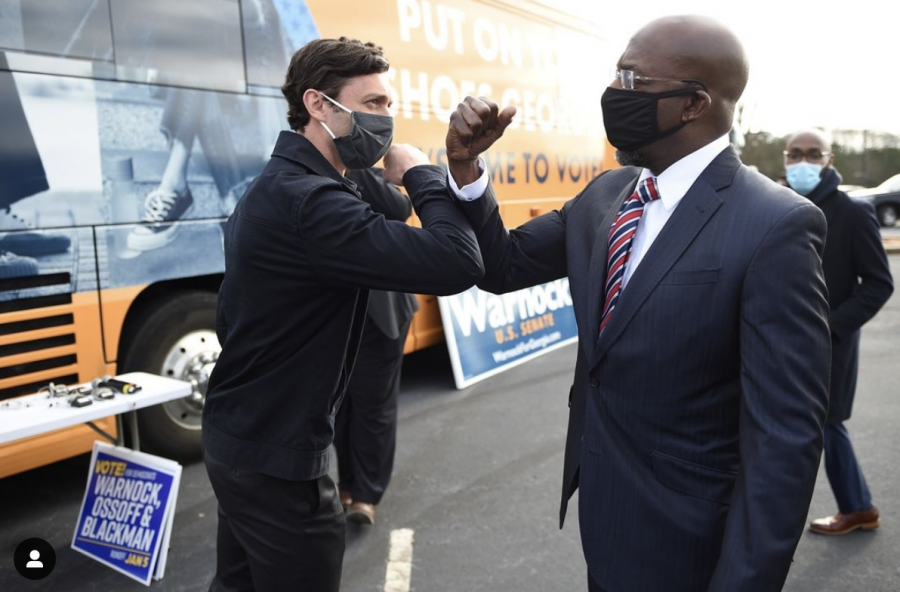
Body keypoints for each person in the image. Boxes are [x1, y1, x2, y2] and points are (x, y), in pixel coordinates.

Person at [444, 15, 831, 592]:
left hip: (691, 547)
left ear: (693, 104)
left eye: (632, 79)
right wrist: (466, 170)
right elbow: (503, 266)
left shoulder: (776, 225)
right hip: (605, 525)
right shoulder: (608, 193)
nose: (613, 94)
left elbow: (784, 440)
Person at [203, 38, 483, 592]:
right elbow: (458, 262)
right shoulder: (312, 203)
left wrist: (390, 173)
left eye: (389, 105)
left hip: (239, 438)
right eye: (375, 103)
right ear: (319, 105)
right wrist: (424, 173)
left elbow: (392, 207)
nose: (388, 118)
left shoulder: (286, 184)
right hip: (278, 459)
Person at [782, 129, 894, 535]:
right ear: (785, 159)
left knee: (827, 425)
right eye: (795, 154)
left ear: (829, 160)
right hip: (779, 342)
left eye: (813, 154)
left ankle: (858, 507)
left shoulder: (853, 211)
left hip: (829, 345)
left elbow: (880, 284)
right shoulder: (779, 206)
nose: (803, 162)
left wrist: (831, 326)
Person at [335, 168, 419, 526]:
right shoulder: (312, 171)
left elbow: (399, 208)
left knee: (373, 407)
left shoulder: (368, 168)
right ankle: (347, 484)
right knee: (339, 409)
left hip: (381, 313)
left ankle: (366, 495)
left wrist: (351, 163)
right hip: (335, 313)